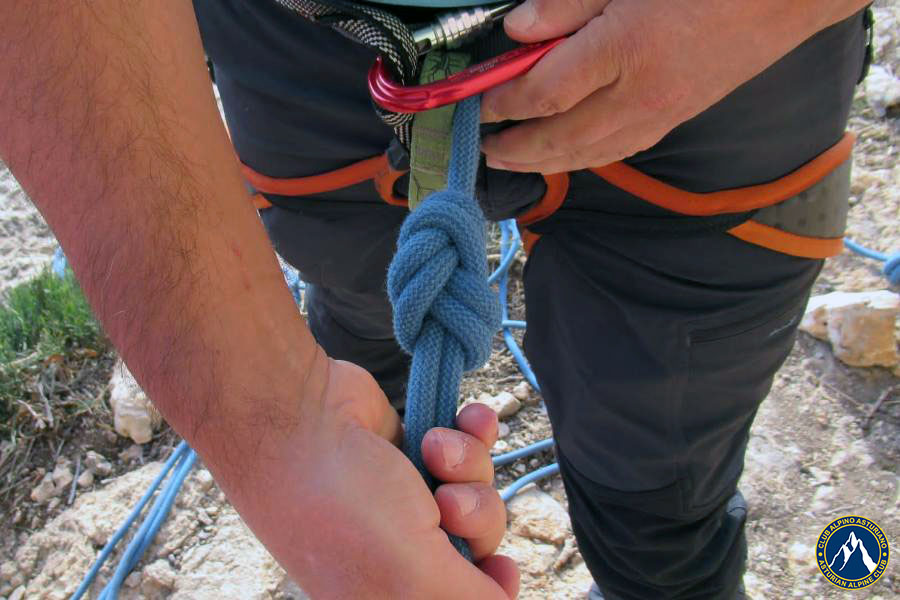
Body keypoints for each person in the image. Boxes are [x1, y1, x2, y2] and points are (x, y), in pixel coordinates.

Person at [0, 1, 872, 598]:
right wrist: (275, 421)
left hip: (733, 57)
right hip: (309, 53)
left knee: (660, 496)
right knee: (364, 337)